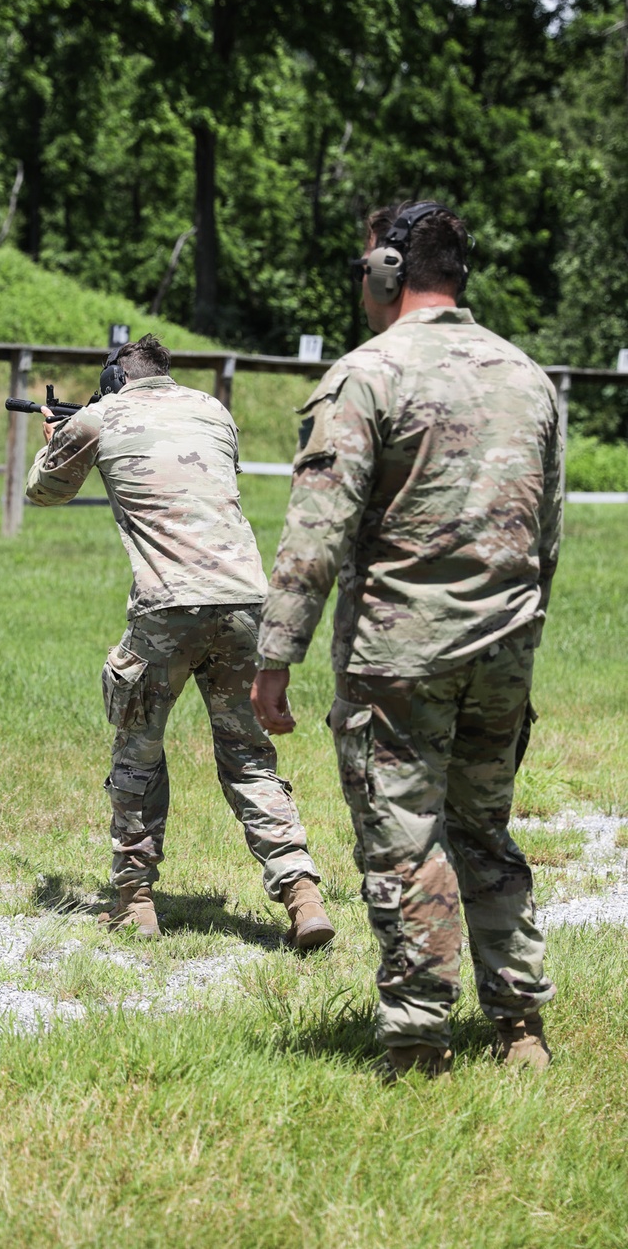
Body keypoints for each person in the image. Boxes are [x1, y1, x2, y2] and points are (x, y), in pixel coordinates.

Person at [251, 202, 563, 1078]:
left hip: (400, 656)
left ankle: (420, 1037)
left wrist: (276, 657)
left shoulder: (367, 375)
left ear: (388, 271)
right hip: (503, 650)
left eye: (364, 268)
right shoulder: (530, 378)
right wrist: (518, 633)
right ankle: (520, 1029)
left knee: (405, 839)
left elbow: (317, 530)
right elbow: (547, 538)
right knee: (485, 831)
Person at [25, 333, 335, 947]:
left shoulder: (101, 416)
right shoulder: (213, 410)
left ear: (115, 376)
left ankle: (134, 899)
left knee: (137, 752)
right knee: (248, 757)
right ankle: (302, 893)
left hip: (167, 608)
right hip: (246, 601)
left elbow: (46, 490)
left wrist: (57, 440)